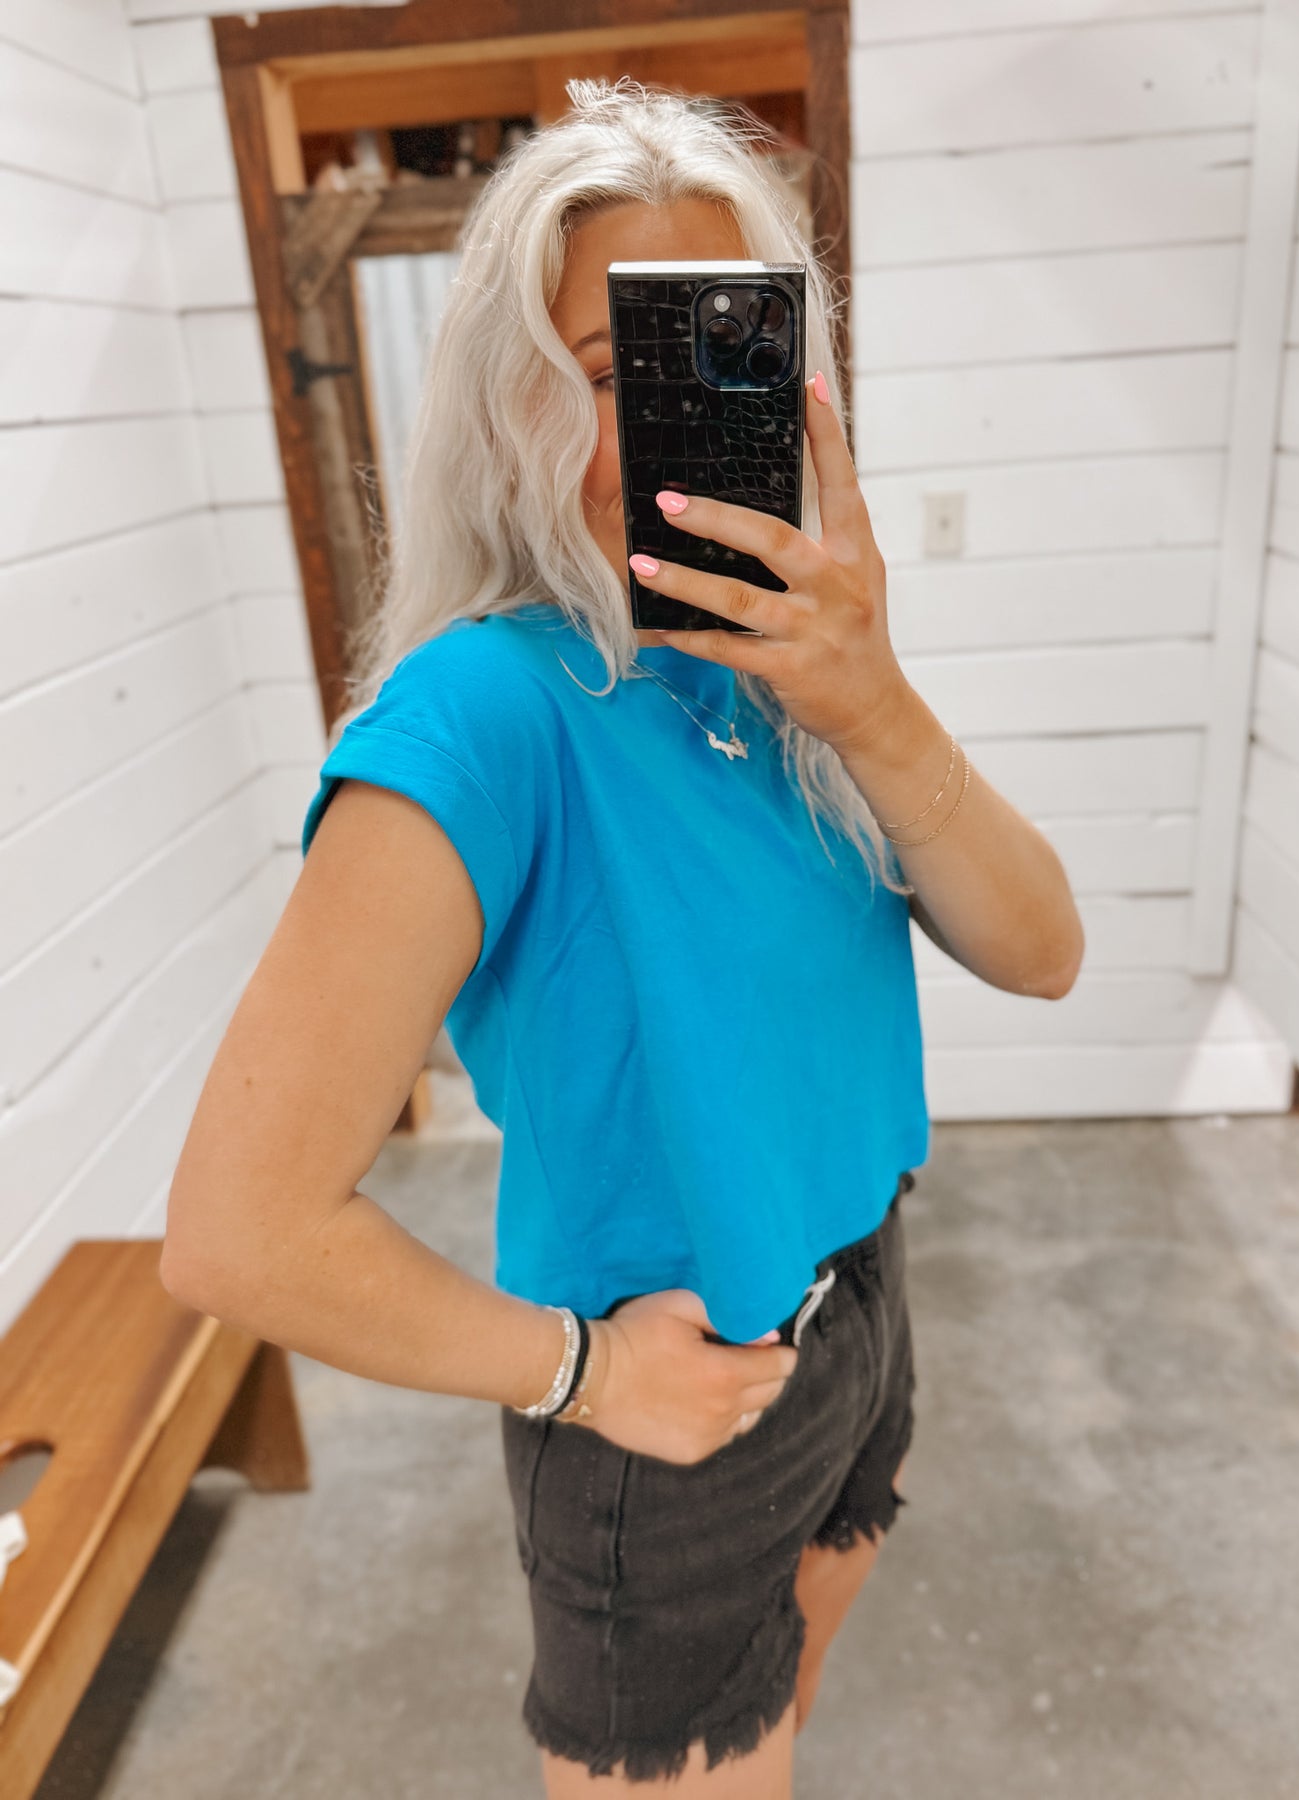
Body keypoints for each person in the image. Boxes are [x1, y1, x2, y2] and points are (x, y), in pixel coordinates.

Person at [162, 78, 1083, 1798]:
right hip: (666, 1409)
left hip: (858, 1305)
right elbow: (236, 1236)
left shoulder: (796, 676)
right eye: (612, 371)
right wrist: (580, 1374)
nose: (681, 415)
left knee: (783, 1729)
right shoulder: (485, 715)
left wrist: (874, 700)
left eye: (729, 354)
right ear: (506, 404)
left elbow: (1041, 952)